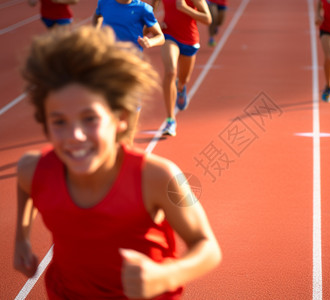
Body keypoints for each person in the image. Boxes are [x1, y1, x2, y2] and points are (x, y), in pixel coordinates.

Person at [13, 26, 221, 299]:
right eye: (59, 121)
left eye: (90, 119)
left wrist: (165, 276)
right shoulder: (35, 169)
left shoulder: (160, 177)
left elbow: (207, 247)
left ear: (121, 117)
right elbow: (25, 183)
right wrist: (21, 239)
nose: (75, 136)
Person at [93, 0, 165, 144]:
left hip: (132, 66)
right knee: (107, 102)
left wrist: (150, 42)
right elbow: (97, 16)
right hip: (109, 63)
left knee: (131, 104)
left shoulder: (143, 9)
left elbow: (160, 36)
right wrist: (95, 33)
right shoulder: (105, 3)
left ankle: (128, 142)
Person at [152, 0, 212, 136]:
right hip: (169, 35)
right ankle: (170, 119)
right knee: (170, 71)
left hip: (189, 40)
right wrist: (155, 25)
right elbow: (149, 10)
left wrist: (185, 8)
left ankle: (180, 87)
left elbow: (208, 19)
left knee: (184, 78)